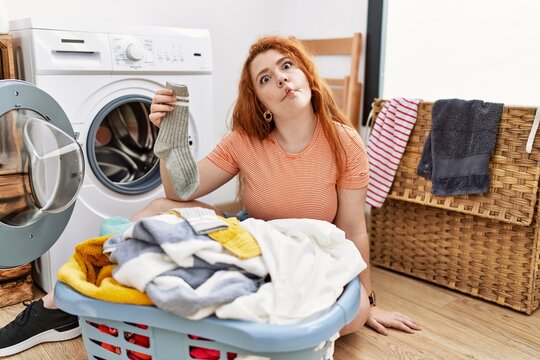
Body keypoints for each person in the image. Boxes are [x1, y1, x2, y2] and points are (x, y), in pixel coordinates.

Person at [0, 35, 420, 357]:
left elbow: (351, 230)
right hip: (255, 242)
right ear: (262, 105)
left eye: (286, 66)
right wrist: (169, 139)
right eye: (266, 79)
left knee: (354, 317)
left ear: (306, 75)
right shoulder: (246, 140)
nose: (281, 79)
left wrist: (369, 299)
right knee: (159, 208)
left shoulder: (345, 142)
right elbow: (180, 191)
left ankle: (184, 319)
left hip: (308, 252)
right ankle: (62, 305)